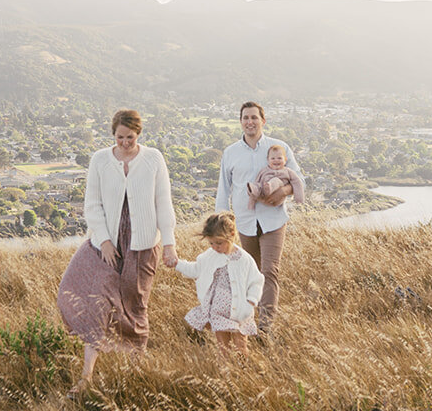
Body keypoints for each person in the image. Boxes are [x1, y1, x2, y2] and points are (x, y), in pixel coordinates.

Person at [57, 109, 177, 393]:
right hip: (105, 245)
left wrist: (170, 244)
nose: (125, 143)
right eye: (120, 137)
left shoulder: (153, 159)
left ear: (139, 134)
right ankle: (85, 378)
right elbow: (92, 205)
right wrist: (105, 241)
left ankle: (136, 373)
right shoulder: (100, 159)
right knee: (93, 301)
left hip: (143, 246)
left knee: (135, 309)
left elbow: (163, 202)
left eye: (130, 138)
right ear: (113, 134)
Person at [216, 100, 303, 334]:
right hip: (245, 223)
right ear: (240, 122)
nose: (250, 122)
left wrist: (284, 192)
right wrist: (220, 226)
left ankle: (266, 328)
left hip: (273, 220)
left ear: (263, 121)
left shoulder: (279, 147)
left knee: (269, 271)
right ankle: (248, 323)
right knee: (250, 273)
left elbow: (299, 179)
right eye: (246, 118)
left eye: (254, 117)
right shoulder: (231, 153)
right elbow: (223, 189)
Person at [176, 211, 264, 356]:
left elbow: (257, 281)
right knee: (224, 348)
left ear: (231, 235)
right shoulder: (209, 256)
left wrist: (251, 302)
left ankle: (243, 372)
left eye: (219, 243)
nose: (215, 247)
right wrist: (177, 263)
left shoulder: (244, 259)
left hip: (240, 311)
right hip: (217, 311)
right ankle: (227, 372)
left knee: (240, 346)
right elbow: (195, 269)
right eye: (211, 243)